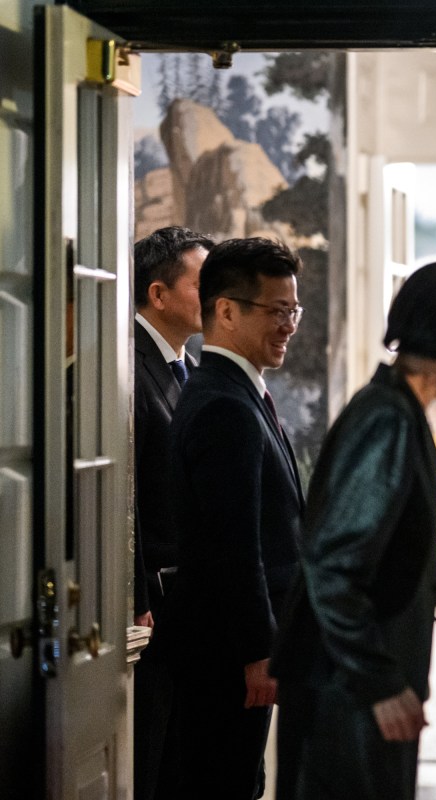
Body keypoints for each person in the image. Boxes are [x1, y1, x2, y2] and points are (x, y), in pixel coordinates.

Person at [270, 260, 436, 800]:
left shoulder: (398, 409)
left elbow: (372, 537)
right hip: (345, 693)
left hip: (351, 685)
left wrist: (429, 577)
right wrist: (380, 681)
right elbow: (332, 566)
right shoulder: (386, 419)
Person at [166, 236, 306, 799]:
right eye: (276, 311)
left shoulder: (240, 392)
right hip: (226, 654)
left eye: (293, 310)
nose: (289, 325)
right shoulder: (223, 403)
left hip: (236, 649)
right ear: (225, 310)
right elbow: (235, 543)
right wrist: (258, 650)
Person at [131, 226, 213, 800]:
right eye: (201, 285)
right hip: (150, 610)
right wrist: (136, 600)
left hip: (189, 608)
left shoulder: (191, 367)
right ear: (158, 295)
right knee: (149, 761)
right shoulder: (125, 368)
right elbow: (122, 500)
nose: (215, 299)